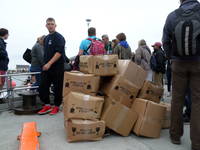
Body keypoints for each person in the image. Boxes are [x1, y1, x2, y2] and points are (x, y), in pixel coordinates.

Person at [162, 0, 200, 149]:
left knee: (177, 100)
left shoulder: (172, 16)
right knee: (198, 101)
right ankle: (197, 143)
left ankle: (175, 136)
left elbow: (165, 40)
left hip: (178, 63)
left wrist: (170, 57)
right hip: (198, 63)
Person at [38, 18, 66, 115]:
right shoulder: (46, 38)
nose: (50, 25)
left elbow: (59, 53)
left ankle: (56, 106)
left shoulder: (59, 37)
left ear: (55, 25)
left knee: (57, 87)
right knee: (42, 86)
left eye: (52, 24)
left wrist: (49, 63)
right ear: (46, 25)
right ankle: (47, 105)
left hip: (57, 67)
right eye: (48, 24)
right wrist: (45, 64)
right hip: (47, 67)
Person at [0, 28, 9, 93]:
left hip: (2, 66)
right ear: (5, 34)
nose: (8, 35)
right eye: (8, 34)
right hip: (1, 67)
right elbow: (2, 53)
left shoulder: (2, 42)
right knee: (1, 83)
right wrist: (6, 56)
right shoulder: (0, 42)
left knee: (1, 83)